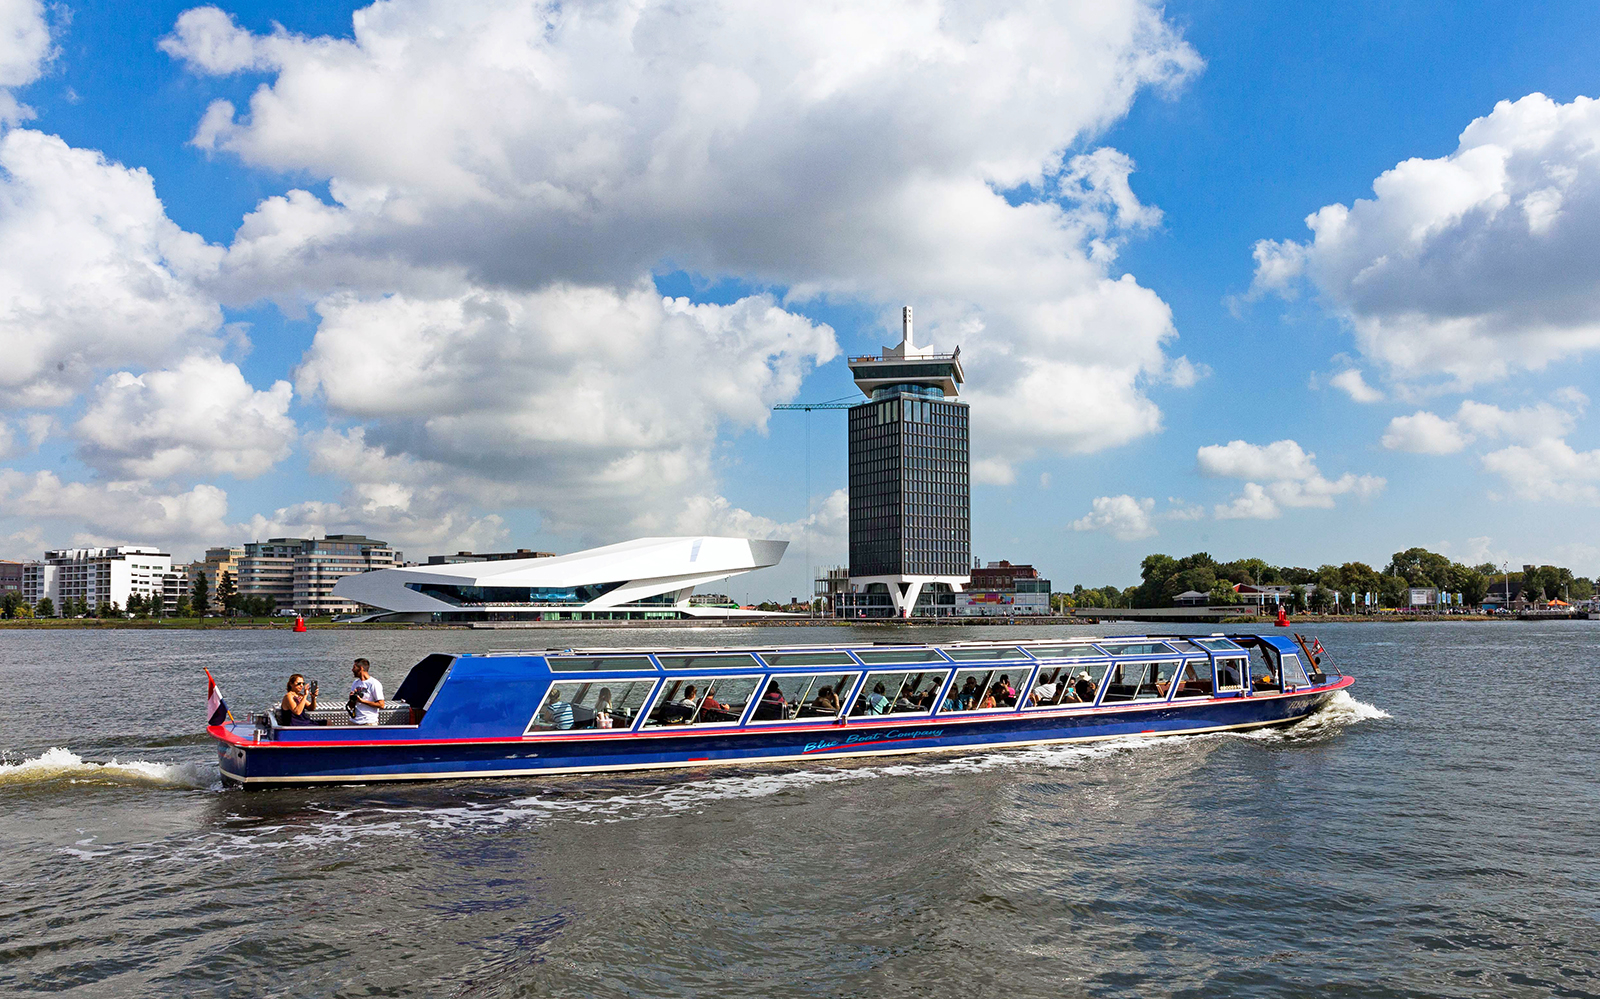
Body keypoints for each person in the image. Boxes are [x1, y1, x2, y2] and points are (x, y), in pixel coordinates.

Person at [348, 658, 385, 725]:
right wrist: (352, 699)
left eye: (354, 667)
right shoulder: (355, 683)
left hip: (368, 722)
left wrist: (362, 701)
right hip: (354, 721)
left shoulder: (373, 683)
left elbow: (381, 705)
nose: (352, 670)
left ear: (361, 668)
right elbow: (351, 706)